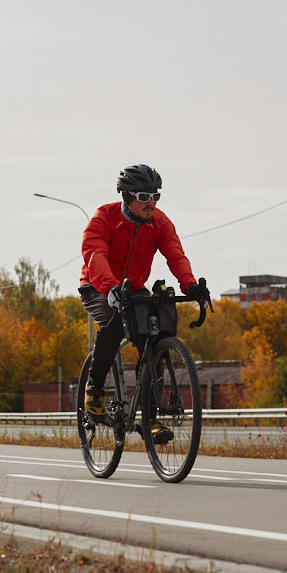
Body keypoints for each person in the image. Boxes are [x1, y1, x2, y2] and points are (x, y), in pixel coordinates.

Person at [78, 163, 210, 443]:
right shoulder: (104, 217)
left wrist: (190, 285)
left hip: (134, 287)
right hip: (97, 286)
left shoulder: (159, 222)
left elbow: (175, 254)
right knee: (116, 323)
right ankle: (95, 386)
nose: (151, 203)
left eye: (155, 197)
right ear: (126, 197)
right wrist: (111, 288)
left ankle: (150, 419)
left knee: (155, 340)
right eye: (143, 197)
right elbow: (95, 255)